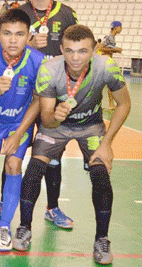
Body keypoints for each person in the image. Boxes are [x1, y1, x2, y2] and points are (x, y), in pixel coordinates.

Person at [14, 24, 131, 266]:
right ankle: (24, 227)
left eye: (82, 51)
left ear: (94, 50)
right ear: (61, 49)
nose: (75, 58)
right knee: (34, 170)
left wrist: (107, 143)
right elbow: (46, 119)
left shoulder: (106, 66)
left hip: (91, 126)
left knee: (100, 174)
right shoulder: (49, 70)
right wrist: (56, 115)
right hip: (56, 127)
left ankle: (102, 239)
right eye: (69, 51)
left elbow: (124, 104)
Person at [0, 8, 44, 251]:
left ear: (28, 36)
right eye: (7, 33)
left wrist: (18, 133)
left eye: (20, 34)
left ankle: (4, 226)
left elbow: (38, 100)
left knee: (13, 165)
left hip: (18, 123)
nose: (13, 40)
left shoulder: (38, 61)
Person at [19, 0, 78, 228]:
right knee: (15, 153)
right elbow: (7, 53)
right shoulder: (18, 14)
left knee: (53, 156)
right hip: (22, 95)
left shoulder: (67, 15)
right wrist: (28, 45)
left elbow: (76, 52)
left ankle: (52, 208)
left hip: (53, 97)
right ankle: (2, 208)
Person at [99, 21, 123, 110]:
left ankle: (111, 104)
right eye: (120, 27)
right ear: (116, 27)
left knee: (109, 84)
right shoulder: (110, 37)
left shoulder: (110, 37)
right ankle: (110, 104)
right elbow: (102, 48)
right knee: (109, 83)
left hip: (106, 61)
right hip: (105, 62)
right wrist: (117, 50)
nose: (121, 29)